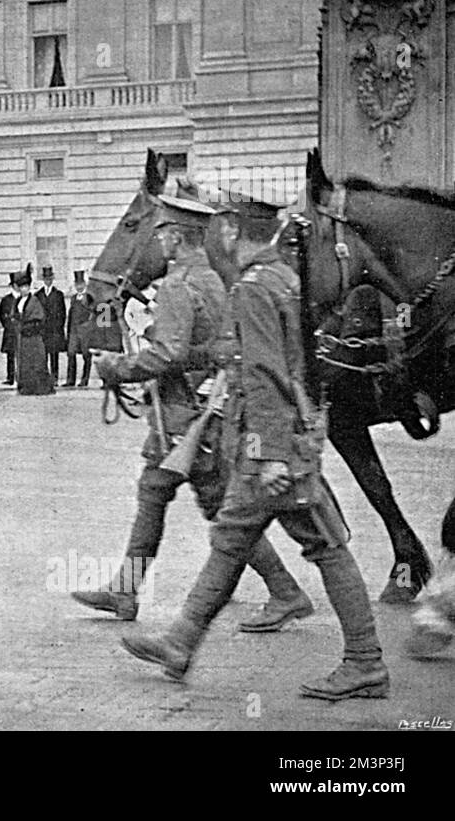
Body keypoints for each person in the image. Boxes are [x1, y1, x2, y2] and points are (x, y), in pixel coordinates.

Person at [122, 201, 389, 701]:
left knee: (291, 545)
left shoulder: (252, 288)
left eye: (220, 227)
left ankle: (365, 662)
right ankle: (182, 642)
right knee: (241, 540)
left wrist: (269, 454)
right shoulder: (285, 278)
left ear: (229, 229)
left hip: (270, 446)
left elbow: (265, 373)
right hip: (292, 437)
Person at [76, 195, 310, 628]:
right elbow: (215, 346)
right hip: (205, 410)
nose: (159, 241)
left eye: (163, 234)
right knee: (169, 495)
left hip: (184, 419)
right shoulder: (218, 280)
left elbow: (167, 354)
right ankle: (125, 591)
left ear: (176, 238)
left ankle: (285, 591)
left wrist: (116, 368)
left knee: (213, 506)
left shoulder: (178, 285)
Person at [13, 265, 53, 395]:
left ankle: (38, 387)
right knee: (24, 362)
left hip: (33, 337)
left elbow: (39, 318)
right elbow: (14, 315)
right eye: (21, 287)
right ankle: (25, 386)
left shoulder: (34, 300)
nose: (24, 289)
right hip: (22, 337)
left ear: (29, 287)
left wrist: (28, 327)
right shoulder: (18, 301)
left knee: (35, 362)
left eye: (26, 287)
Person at [63, 271, 94, 388]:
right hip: (74, 331)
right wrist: (69, 330)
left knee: (86, 355)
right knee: (71, 353)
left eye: (81, 284)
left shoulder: (90, 298)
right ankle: (70, 380)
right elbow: (71, 315)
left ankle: (84, 380)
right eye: (77, 284)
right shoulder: (73, 298)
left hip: (86, 331)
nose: (79, 287)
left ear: (85, 284)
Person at [37, 265, 66, 385]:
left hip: (54, 330)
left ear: (53, 279)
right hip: (43, 330)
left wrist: (58, 327)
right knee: (43, 356)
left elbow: (62, 313)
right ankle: (44, 378)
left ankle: (54, 378)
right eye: (46, 278)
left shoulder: (58, 294)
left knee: (54, 355)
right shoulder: (38, 295)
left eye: (50, 278)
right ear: (43, 279)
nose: (48, 281)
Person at [0, 271, 24, 386]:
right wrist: (8, 325)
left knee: (22, 354)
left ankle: (21, 376)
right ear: (13, 286)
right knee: (10, 355)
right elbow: (1, 315)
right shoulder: (6, 300)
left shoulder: (23, 298)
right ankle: (10, 377)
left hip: (21, 330)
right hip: (10, 331)